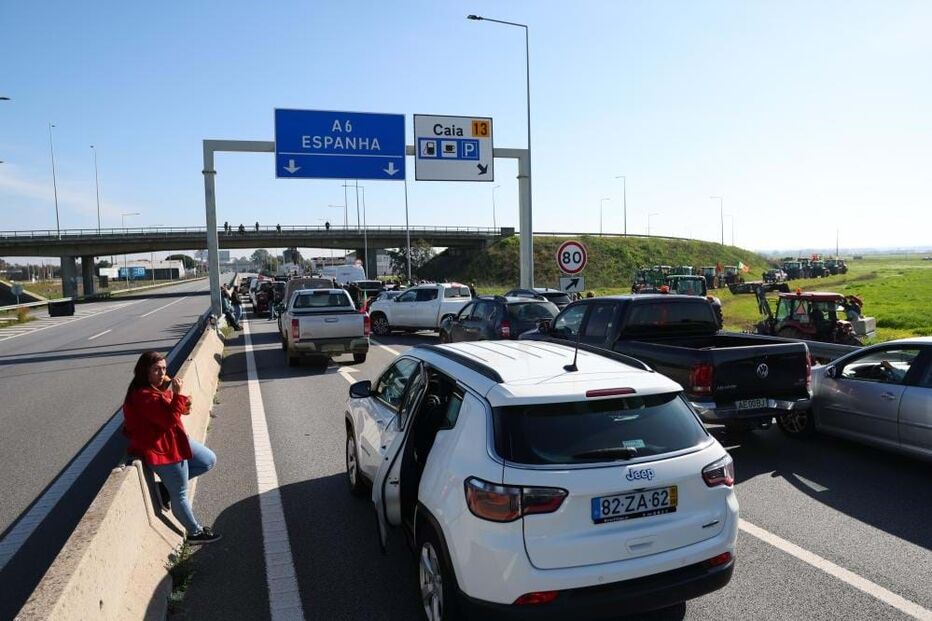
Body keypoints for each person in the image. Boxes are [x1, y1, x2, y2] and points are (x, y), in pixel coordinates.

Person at [123, 352, 221, 544]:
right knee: (181, 494)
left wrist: (181, 402)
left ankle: (165, 490)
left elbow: (170, 411)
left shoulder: (156, 388)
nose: (162, 373)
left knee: (208, 460)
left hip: (176, 440)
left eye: (164, 368)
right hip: (163, 450)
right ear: (145, 372)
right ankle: (194, 532)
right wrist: (177, 395)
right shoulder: (143, 396)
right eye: (156, 369)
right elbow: (168, 420)